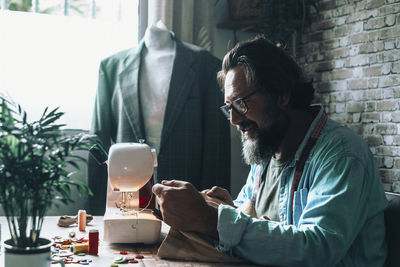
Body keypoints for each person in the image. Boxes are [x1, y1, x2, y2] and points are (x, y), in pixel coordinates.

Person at [152, 36, 387, 266]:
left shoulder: (342, 155)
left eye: (241, 104)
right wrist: (226, 207)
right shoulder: (266, 146)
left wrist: (209, 218)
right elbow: (253, 222)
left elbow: (318, 249)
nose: (234, 119)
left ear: (281, 94)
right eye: (229, 107)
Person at [87, 21, 230, 215]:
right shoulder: (111, 67)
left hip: (187, 197)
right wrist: (94, 211)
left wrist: (214, 211)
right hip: (126, 194)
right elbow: (99, 138)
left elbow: (216, 145)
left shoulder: (205, 65)